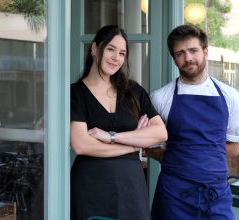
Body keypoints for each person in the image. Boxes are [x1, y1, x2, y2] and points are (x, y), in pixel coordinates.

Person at [145, 24, 239, 220]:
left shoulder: (230, 97)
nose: (188, 58)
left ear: (205, 52)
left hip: (216, 194)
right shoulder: (160, 98)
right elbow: (151, 147)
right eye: (180, 53)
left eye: (193, 50)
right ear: (174, 59)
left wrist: (201, 157)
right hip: (173, 194)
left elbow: (235, 145)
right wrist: (182, 160)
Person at [70, 25, 167, 220]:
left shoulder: (134, 91)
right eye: (111, 49)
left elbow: (160, 133)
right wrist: (133, 144)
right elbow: (81, 145)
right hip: (90, 185)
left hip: (131, 184)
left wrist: (111, 137)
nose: (116, 58)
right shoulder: (75, 93)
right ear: (95, 48)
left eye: (122, 53)